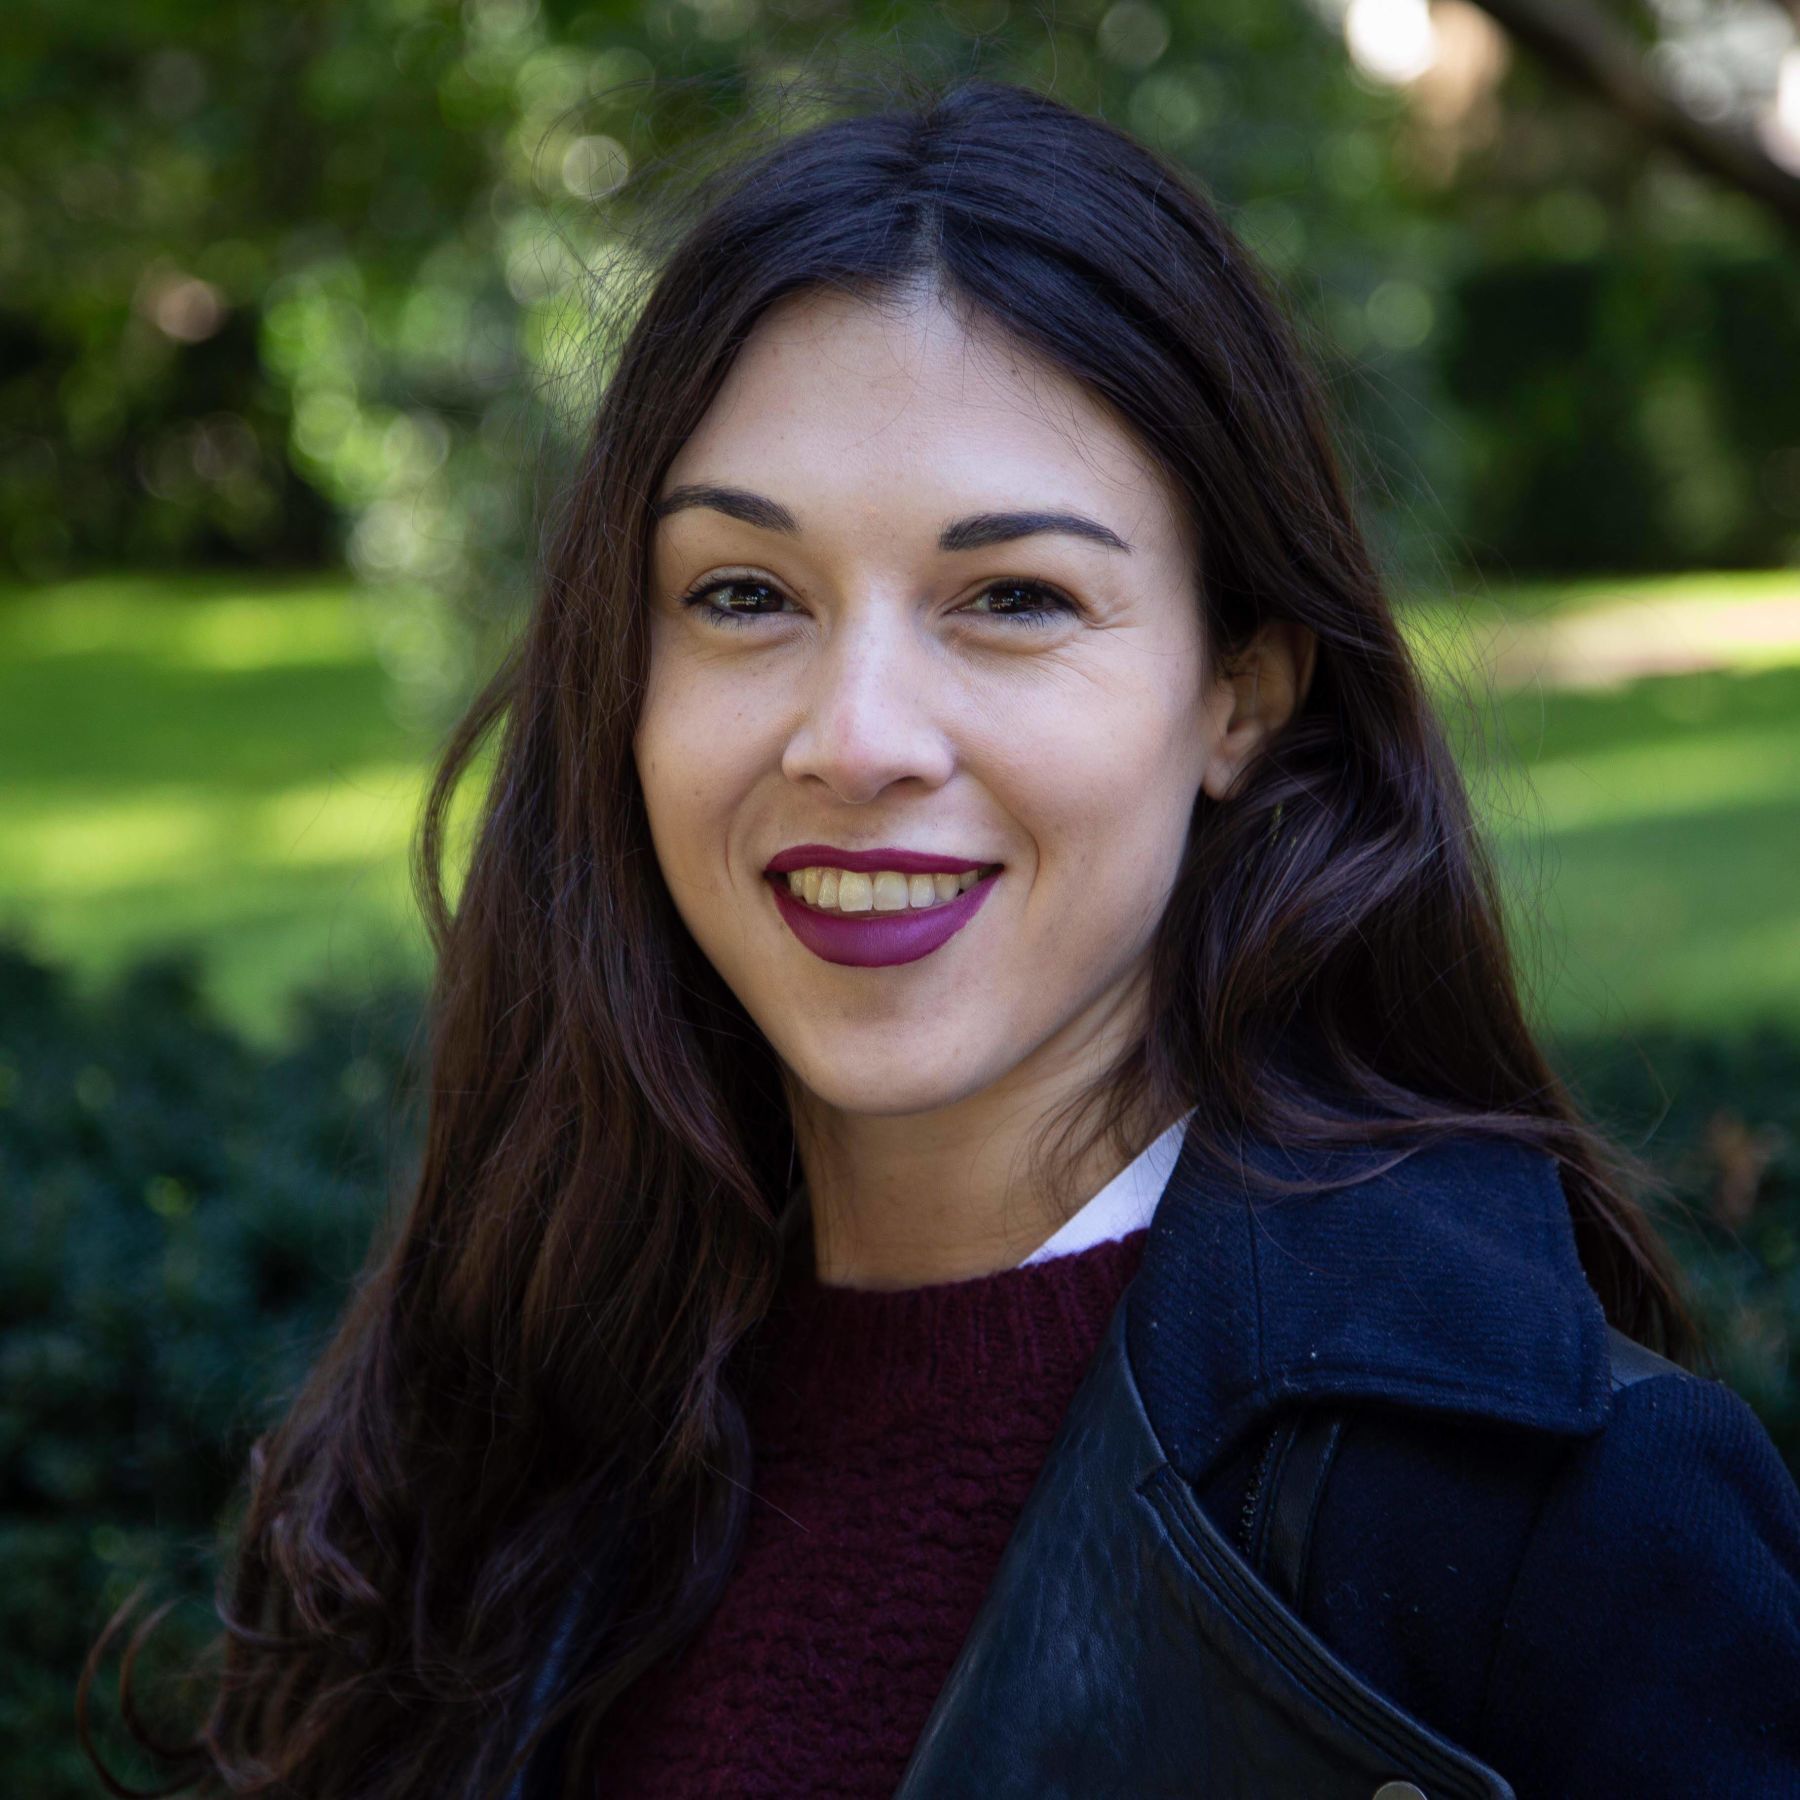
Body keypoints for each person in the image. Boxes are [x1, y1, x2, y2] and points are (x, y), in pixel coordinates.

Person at [84, 74, 1800, 1799]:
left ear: (1240, 697)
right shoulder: (512, 1402)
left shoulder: (1558, 1519)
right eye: (744, 594)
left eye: (1014, 599)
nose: (857, 734)